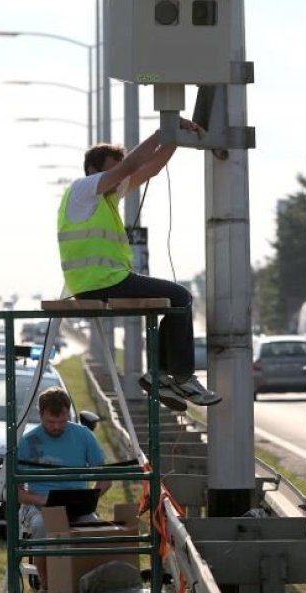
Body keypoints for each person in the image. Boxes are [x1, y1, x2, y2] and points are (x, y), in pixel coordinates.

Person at [57, 119, 220, 411]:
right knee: (181, 296)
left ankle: (159, 375)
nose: (119, 179)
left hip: (102, 282)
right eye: (112, 169)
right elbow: (129, 167)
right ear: (94, 170)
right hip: (102, 282)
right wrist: (161, 132)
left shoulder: (105, 197)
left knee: (172, 300)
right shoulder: (83, 190)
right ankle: (179, 377)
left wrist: (174, 139)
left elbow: (150, 168)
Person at [17, 387, 112, 592]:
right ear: (40, 414)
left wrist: (89, 498)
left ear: (68, 413)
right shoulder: (28, 441)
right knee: (43, 526)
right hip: (40, 506)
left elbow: (106, 479)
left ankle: (85, 583)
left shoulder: (83, 435)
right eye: (51, 422)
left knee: (96, 529)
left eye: (62, 421)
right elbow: (16, 491)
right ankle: (47, 584)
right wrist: (40, 499)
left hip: (77, 507)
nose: (57, 427)